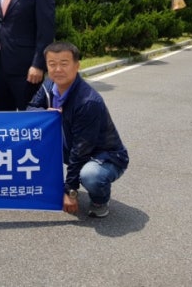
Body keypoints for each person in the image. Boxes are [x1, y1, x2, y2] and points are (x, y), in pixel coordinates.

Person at [28, 41, 129, 218]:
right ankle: (48, 187)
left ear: (77, 66)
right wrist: (44, 113)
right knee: (32, 139)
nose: (58, 69)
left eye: (64, 64)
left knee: (90, 175)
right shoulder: (48, 85)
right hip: (72, 144)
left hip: (105, 155)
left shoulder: (88, 101)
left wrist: (70, 191)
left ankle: (99, 200)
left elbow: (81, 150)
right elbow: (30, 109)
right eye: (52, 64)